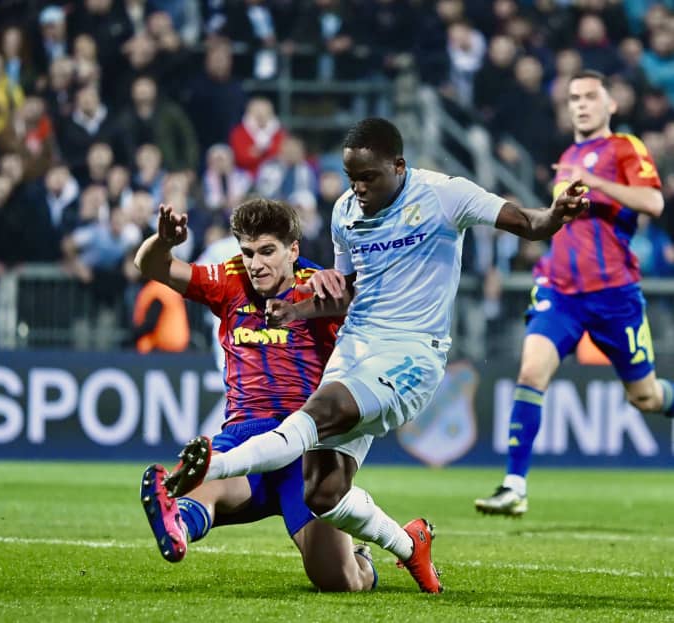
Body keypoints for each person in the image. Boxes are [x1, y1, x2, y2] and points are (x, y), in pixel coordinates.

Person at [162, 117, 589, 594]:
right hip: (354, 347)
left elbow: (529, 224)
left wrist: (556, 213)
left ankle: (214, 466)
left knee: (317, 413)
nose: (358, 188)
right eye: (351, 178)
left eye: (368, 177)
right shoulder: (345, 212)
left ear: (399, 167)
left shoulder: (445, 195)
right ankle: (410, 545)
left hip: (411, 352)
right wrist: (297, 309)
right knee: (322, 492)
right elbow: (347, 292)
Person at [136, 198, 377, 592]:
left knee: (339, 581)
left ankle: (362, 560)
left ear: (293, 250)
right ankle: (177, 524)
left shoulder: (320, 288)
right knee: (203, 479)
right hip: (244, 438)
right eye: (248, 252)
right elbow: (150, 266)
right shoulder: (228, 279)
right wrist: (163, 242)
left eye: (267, 251)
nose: (255, 264)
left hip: (306, 447)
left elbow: (375, 317)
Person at [475, 70, 674, 517]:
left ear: (610, 104)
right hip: (560, 290)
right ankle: (513, 486)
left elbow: (653, 203)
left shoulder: (626, 148)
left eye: (589, 97)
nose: (581, 105)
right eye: (574, 98)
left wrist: (595, 181)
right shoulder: (568, 158)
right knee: (531, 373)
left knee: (644, 397)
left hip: (615, 295)